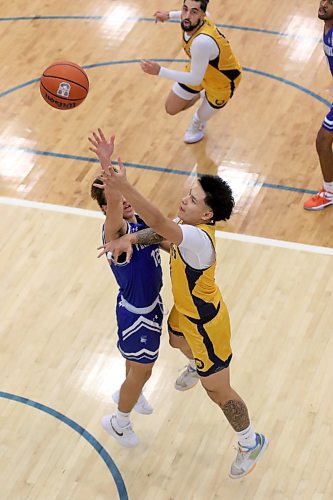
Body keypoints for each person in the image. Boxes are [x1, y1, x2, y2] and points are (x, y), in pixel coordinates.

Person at [98, 142, 268, 479]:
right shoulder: (185, 227)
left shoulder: (196, 238)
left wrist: (123, 187)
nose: (184, 201)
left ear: (206, 214)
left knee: (218, 391)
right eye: (188, 194)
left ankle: (250, 441)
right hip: (185, 314)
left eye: (192, 200)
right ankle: (194, 364)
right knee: (174, 339)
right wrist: (130, 240)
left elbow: (159, 222)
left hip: (206, 327)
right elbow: (160, 234)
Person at [89, 129, 165, 448]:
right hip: (137, 315)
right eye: (115, 201)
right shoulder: (114, 233)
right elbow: (118, 210)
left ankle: (130, 391)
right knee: (144, 369)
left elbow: (162, 234)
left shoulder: (139, 225)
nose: (124, 203)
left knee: (137, 367)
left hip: (151, 303)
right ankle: (119, 422)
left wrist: (123, 185)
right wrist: (108, 166)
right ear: (108, 208)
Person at [140, 0, 242, 144]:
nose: (187, 16)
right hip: (199, 69)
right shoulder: (194, 21)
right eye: (185, 9)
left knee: (200, 115)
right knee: (171, 108)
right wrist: (168, 15)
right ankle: (202, 93)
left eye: (194, 12)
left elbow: (195, 79)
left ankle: (197, 124)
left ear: (202, 15)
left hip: (222, 83)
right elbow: (196, 76)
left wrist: (160, 71)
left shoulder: (201, 42)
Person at [304, 0, 333, 210]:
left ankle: (329, 192)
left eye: (330, 3)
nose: (323, 5)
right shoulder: (328, 25)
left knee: (323, 141)